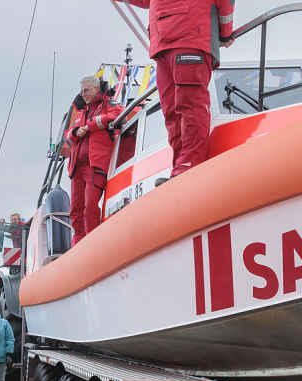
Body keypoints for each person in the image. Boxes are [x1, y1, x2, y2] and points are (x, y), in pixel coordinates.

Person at [124, 0, 235, 178]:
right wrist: (225, 34)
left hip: (182, 39)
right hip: (173, 43)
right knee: (175, 111)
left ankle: (188, 164)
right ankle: (182, 164)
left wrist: (224, 34)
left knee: (184, 108)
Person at [67, 76, 124, 245]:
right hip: (77, 167)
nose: (83, 94)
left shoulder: (108, 104)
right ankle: (79, 243)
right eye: (81, 91)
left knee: (90, 207)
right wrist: (76, 132)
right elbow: (68, 134)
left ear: (96, 89)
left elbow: (118, 114)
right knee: (75, 211)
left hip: (94, 166)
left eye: (86, 90)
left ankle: (92, 243)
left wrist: (90, 125)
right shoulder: (81, 111)